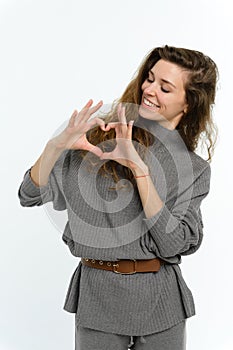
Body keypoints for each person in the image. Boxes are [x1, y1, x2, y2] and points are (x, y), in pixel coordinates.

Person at [18, 45, 218, 350]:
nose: (149, 90)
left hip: (161, 303)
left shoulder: (192, 169)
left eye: (165, 87)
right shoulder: (97, 142)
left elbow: (174, 244)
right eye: (149, 79)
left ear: (189, 103)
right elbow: (28, 195)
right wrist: (56, 146)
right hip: (98, 297)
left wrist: (140, 171)